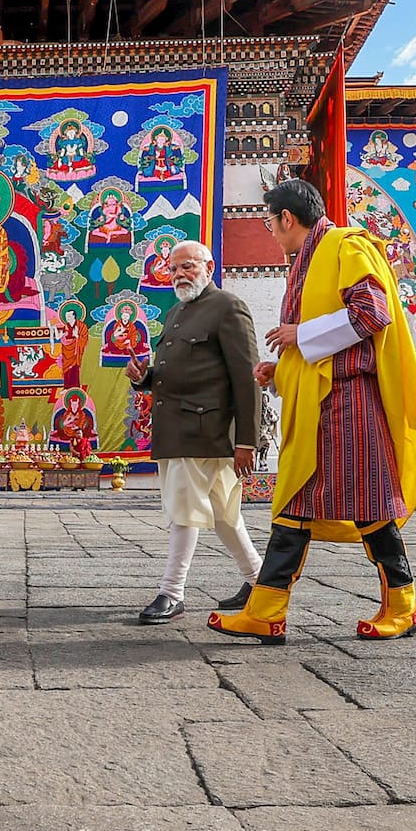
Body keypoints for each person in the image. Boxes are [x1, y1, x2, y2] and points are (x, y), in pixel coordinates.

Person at [210, 179, 416, 644]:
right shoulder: (310, 260)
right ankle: (267, 609)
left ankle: (402, 605)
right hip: (323, 403)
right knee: (296, 503)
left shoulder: (344, 247)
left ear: (287, 219)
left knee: (369, 507)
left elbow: (373, 312)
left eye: (271, 224)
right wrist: (284, 369)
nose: (271, 234)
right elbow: (321, 340)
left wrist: (301, 337)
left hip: (350, 406)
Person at [126, 240, 262, 625]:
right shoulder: (176, 313)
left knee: (184, 507)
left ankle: (172, 592)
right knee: (221, 512)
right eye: (173, 269)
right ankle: (260, 580)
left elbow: (247, 378)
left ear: (209, 265)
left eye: (187, 266)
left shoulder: (228, 307)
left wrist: (246, 440)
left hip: (208, 429)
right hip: (177, 429)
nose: (179, 275)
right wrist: (144, 378)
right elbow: (176, 372)